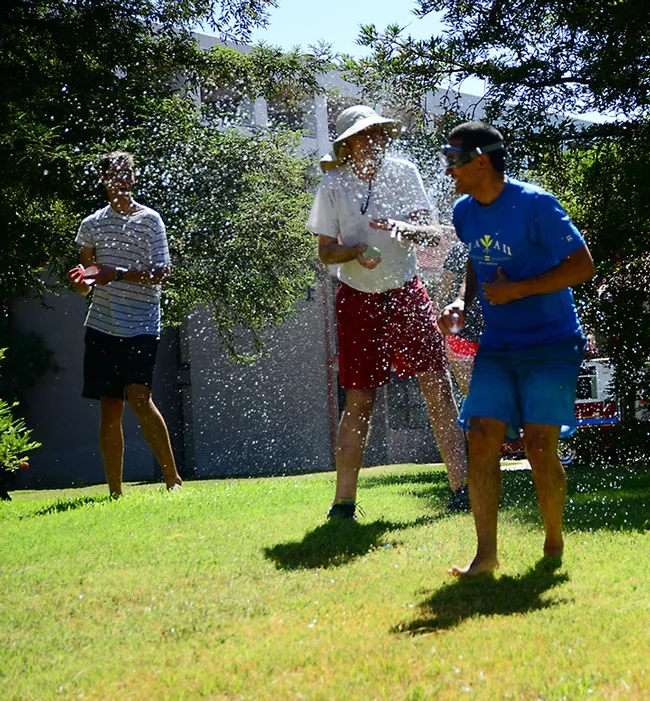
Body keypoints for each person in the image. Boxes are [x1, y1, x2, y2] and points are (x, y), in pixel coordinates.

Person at [434, 121, 595, 576]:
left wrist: (519, 290)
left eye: (454, 160)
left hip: (552, 342)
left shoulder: (536, 205)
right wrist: (463, 301)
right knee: (482, 435)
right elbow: (475, 256)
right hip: (499, 344)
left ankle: (554, 542)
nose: (449, 171)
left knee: (539, 446)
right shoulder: (465, 211)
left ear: (481, 160)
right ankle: (485, 556)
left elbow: (582, 266)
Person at [307, 105, 469, 519]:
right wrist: (355, 250)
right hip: (356, 298)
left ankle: (462, 488)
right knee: (359, 398)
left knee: (437, 386)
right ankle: (343, 504)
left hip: (406, 292)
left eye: (379, 133)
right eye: (365, 135)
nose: (375, 141)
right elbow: (326, 252)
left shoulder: (403, 171)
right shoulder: (332, 184)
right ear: (348, 144)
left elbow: (433, 232)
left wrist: (406, 228)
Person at [68, 151, 182, 497]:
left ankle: (172, 479)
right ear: (104, 181)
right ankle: (115, 491)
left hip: (142, 323)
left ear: (133, 179)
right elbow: (87, 276)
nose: (121, 180)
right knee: (110, 404)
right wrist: (81, 282)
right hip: (102, 323)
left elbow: (163, 274)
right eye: (114, 175)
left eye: (126, 174)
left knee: (139, 397)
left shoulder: (151, 221)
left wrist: (114, 272)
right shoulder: (91, 225)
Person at [435, 241, 484, 397]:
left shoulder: (461, 247)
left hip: (463, 334)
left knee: (472, 397)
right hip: (474, 334)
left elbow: (444, 289)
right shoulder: (460, 248)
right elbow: (444, 288)